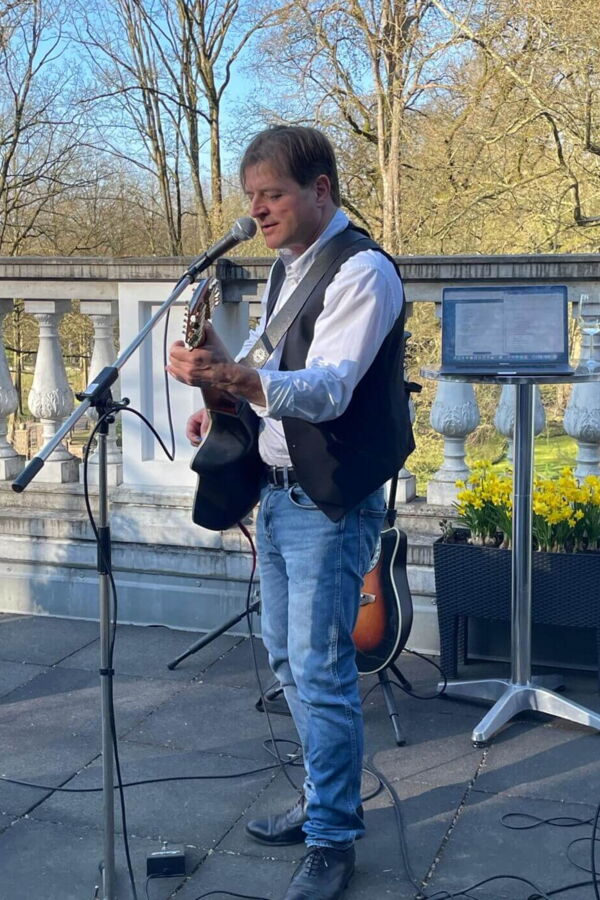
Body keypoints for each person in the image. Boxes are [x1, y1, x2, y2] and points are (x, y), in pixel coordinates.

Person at [167, 125, 414, 900]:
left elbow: (329, 387)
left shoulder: (363, 271)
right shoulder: (287, 269)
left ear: (320, 189)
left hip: (328, 503)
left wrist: (239, 380)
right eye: (252, 197)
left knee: (320, 669)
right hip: (277, 497)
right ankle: (322, 802)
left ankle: (333, 838)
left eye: (272, 194)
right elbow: (268, 368)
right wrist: (221, 382)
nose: (259, 210)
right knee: (287, 662)